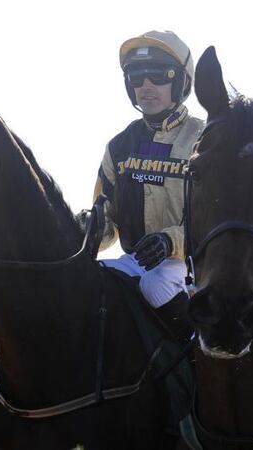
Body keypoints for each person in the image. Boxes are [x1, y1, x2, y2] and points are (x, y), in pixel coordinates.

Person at [92, 30, 203, 341]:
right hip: (137, 262)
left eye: (159, 75)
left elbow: (218, 220)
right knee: (91, 282)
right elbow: (108, 222)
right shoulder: (118, 146)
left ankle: (200, 366)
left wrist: (171, 243)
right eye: (137, 78)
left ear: (182, 81)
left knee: (156, 284)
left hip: (191, 266)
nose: (147, 86)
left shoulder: (205, 142)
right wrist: (89, 228)